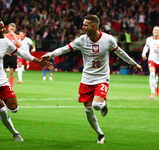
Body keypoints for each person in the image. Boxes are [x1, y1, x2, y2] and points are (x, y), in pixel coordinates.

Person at [42, 14, 142, 144]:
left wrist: (133, 63)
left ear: (94, 27)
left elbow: (120, 52)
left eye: (85, 25)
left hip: (102, 77)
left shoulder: (108, 39)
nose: (83, 27)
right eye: (83, 25)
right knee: (88, 110)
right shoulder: (81, 40)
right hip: (86, 79)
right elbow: (65, 48)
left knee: (96, 105)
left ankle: (103, 103)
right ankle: (100, 134)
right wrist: (51, 54)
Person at [142, 26, 159, 99]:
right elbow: (146, 46)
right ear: (152, 31)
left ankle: (157, 87)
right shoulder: (149, 39)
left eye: (157, 30)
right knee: (152, 74)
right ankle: (152, 92)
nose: (155, 31)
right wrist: (143, 53)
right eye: (154, 30)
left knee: (158, 79)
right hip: (152, 59)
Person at [3, 23, 21, 88]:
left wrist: (14, 36)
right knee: (3, 72)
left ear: (15, 29)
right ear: (8, 28)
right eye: (11, 29)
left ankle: (11, 88)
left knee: (12, 73)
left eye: (13, 29)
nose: (12, 30)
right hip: (6, 55)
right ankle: (3, 86)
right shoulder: (4, 36)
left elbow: (19, 45)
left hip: (13, 55)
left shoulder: (17, 36)